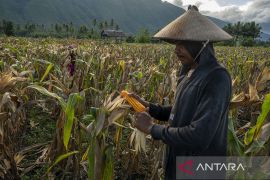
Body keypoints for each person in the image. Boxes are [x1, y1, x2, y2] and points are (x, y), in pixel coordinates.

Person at [132, 5, 233, 180]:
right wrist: (151, 108)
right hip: (179, 162)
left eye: (183, 43)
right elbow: (182, 110)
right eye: (176, 43)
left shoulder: (217, 77)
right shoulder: (188, 72)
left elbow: (199, 136)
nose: (176, 49)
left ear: (202, 44)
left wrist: (152, 128)